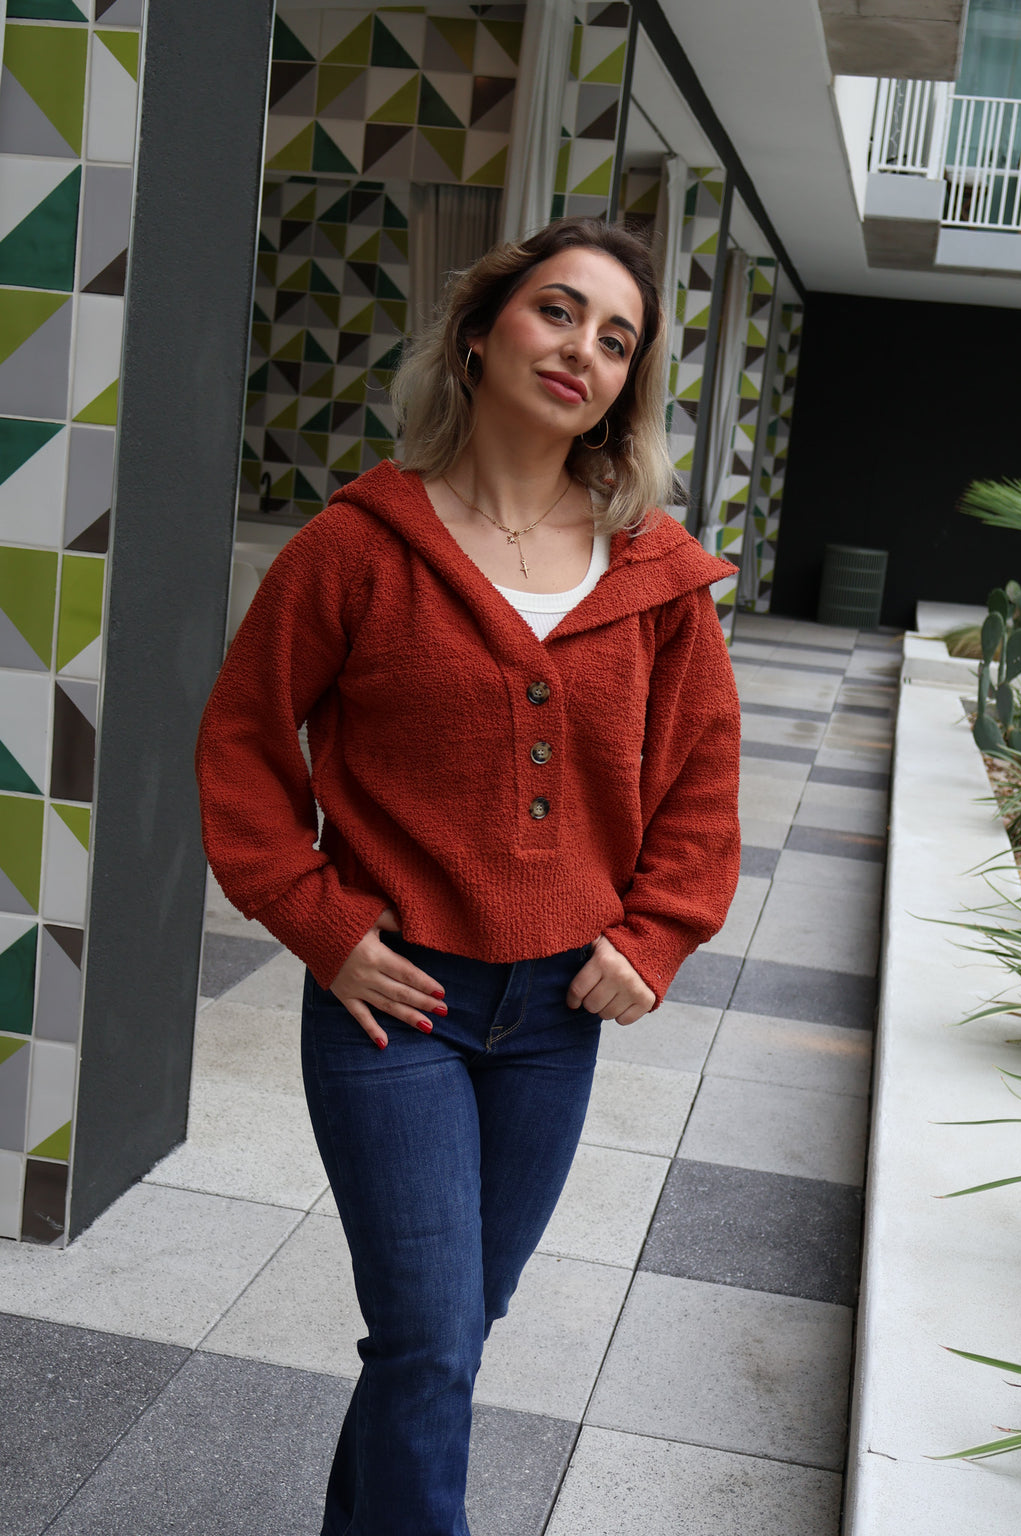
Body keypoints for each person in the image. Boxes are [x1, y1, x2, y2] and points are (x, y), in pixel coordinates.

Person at [195, 215, 741, 1536]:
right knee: (434, 1337)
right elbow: (244, 746)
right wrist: (318, 921)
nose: (584, 352)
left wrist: (657, 935)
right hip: (399, 1009)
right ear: (481, 331)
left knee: (440, 1339)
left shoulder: (657, 576)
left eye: (619, 340)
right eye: (560, 313)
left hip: (556, 1019)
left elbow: (703, 781)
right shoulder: (356, 550)